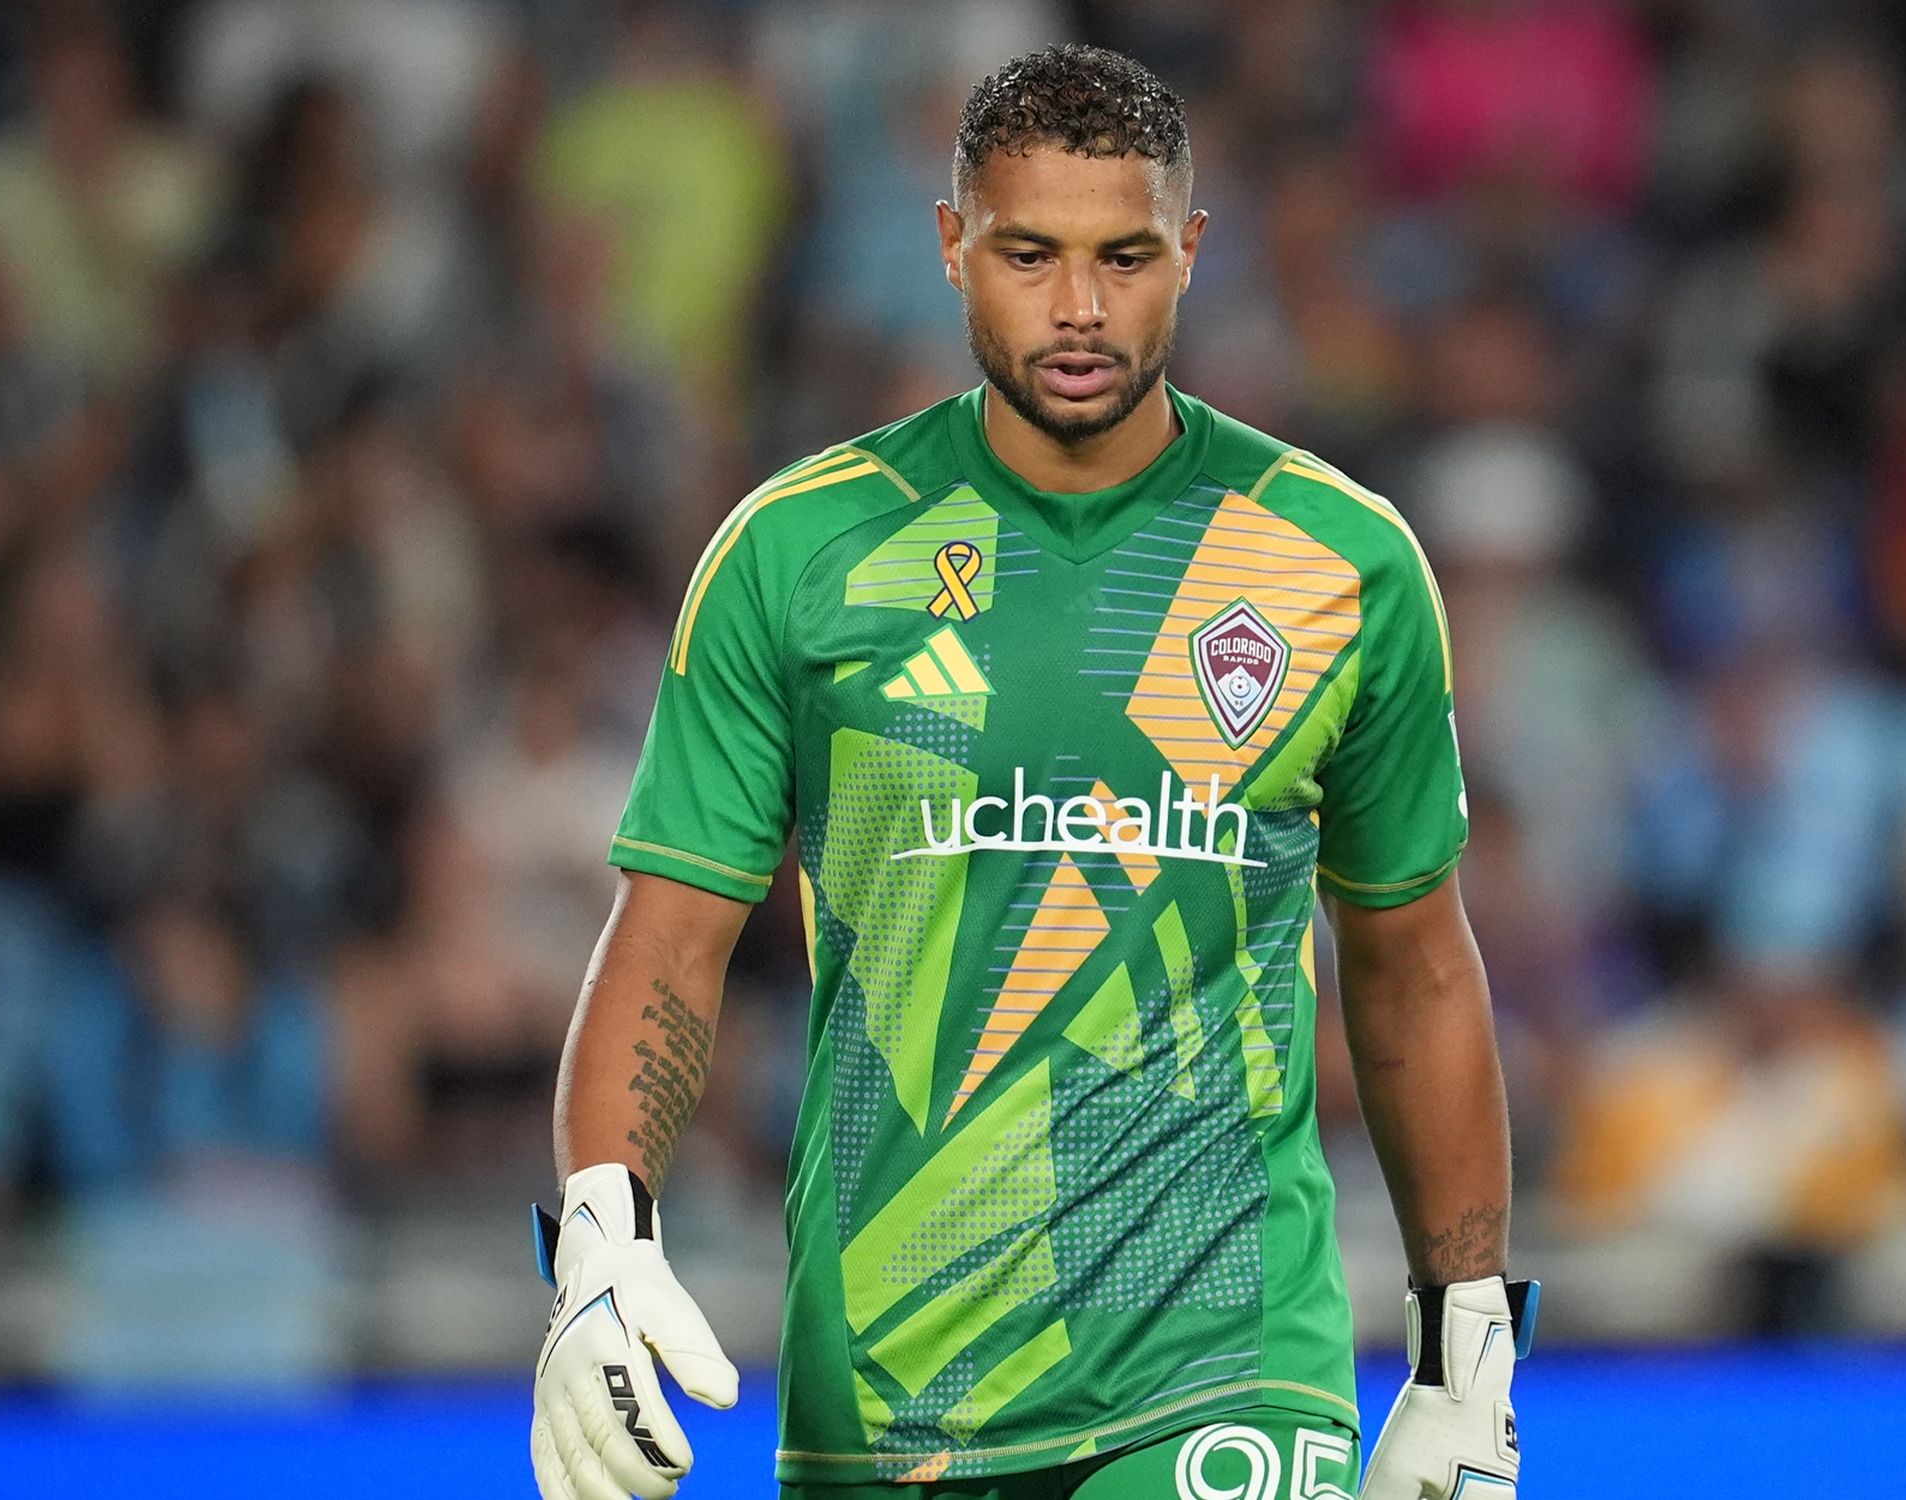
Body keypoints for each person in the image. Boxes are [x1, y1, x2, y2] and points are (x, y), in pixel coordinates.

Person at [529, 45, 1529, 1500]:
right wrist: (601, 1248)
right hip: (883, 1392)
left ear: (1190, 252)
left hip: (1225, 1372)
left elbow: (1416, 966)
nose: (1078, 307)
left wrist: (1466, 1349)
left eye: (1125, 256)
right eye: (1028, 254)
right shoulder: (794, 559)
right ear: (949, 248)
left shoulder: (1344, 565)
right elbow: (671, 939)